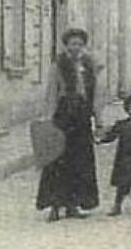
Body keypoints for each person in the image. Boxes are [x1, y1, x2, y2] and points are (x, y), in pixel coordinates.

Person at [36, 28, 101, 222]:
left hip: (82, 118)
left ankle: (74, 205)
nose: (76, 47)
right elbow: (51, 93)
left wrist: (99, 120)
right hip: (63, 116)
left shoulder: (89, 65)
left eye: (80, 44)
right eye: (73, 44)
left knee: (80, 161)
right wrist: (48, 118)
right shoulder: (58, 65)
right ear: (66, 45)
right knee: (58, 161)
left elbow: (95, 94)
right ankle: (55, 206)